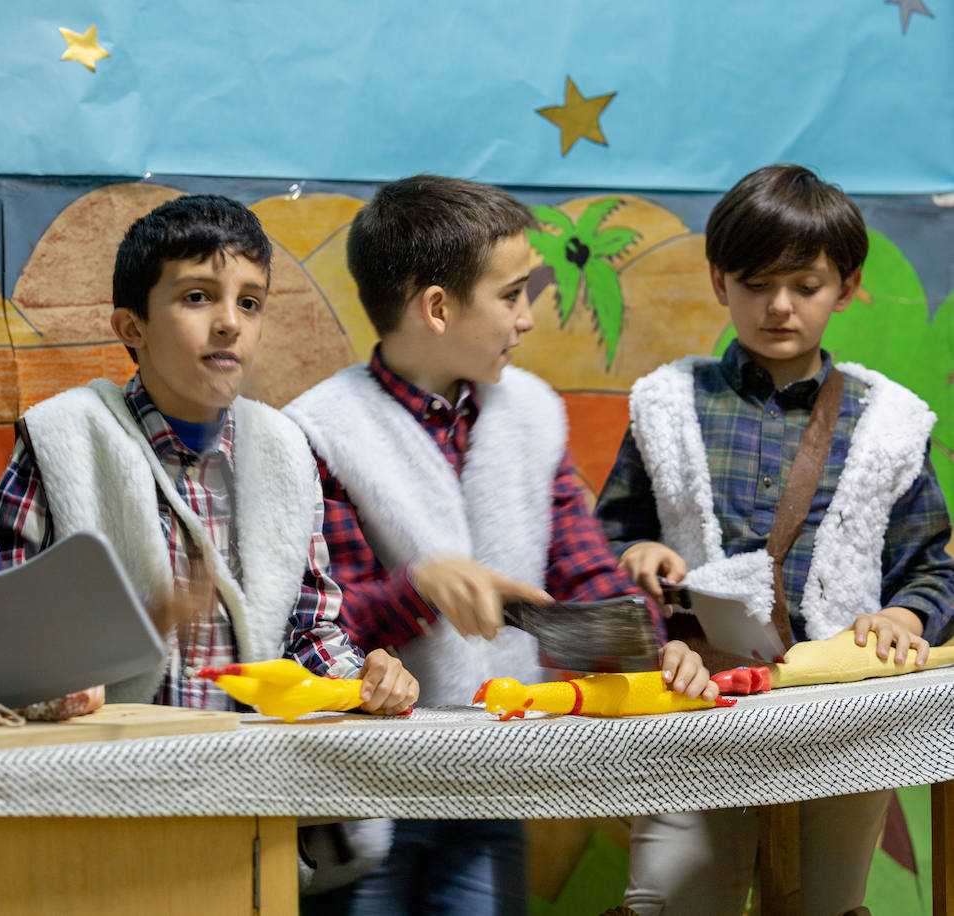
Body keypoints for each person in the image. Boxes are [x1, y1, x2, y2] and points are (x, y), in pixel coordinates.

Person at [284, 174, 715, 916]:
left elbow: (580, 572)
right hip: (365, 792)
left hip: (495, 777)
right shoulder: (318, 431)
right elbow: (319, 630)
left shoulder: (531, 415)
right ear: (439, 307)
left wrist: (653, 643)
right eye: (512, 294)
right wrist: (420, 588)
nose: (528, 318)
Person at [595, 162, 954, 915]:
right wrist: (636, 560)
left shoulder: (889, 420)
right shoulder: (665, 402)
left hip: (842, 711)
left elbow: (931, 565)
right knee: (670, 901)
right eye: (757, 284)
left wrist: (907, 616)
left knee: (827, 905)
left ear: (848, 287)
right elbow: (605, 546)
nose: (780, 307)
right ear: (719, 280)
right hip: (693, 701)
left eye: (807, 286)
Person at [0, 193, 417, 715]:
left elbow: (307, 631)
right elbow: (5, 645)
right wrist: (134, 630)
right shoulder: (61, 441)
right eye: (197, 296)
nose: (229, 323)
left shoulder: (284, 452)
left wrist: (364, 681)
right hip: (109, 771)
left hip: (251, 774)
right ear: (132, 327)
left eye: (250, 303)